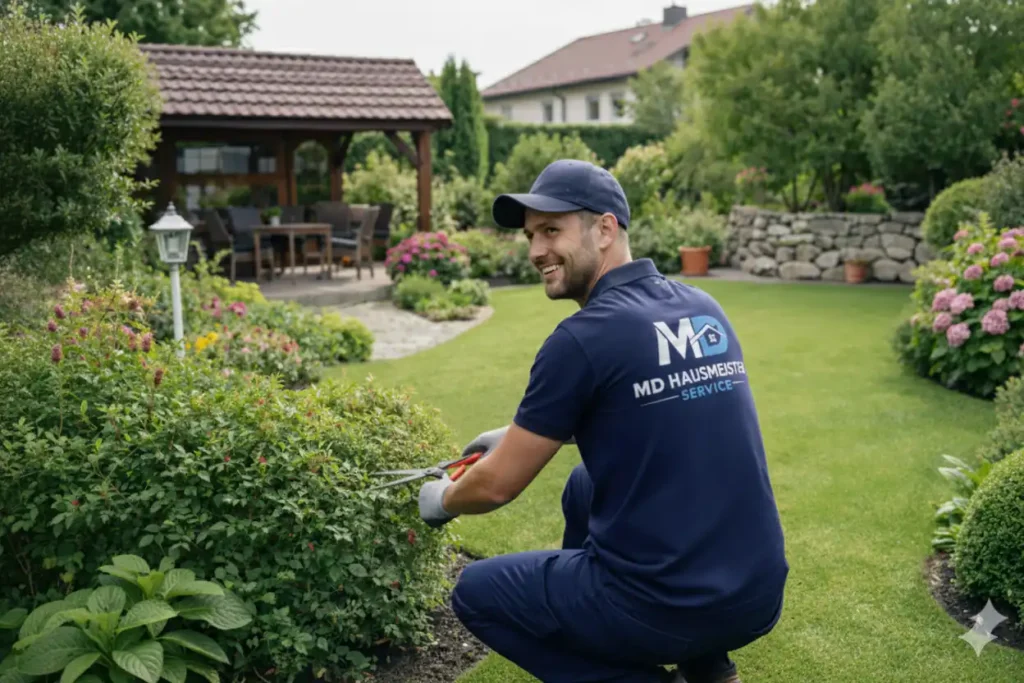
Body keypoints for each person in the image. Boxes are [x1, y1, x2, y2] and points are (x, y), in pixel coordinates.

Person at [416, 159, 788, 683]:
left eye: (551, 230)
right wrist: (511, 434)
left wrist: (440, 501)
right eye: (530, 236)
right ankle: (709, 670)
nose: (536, 251)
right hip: (756, 591)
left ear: (605, 228)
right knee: (583, 487)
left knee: (475, 593)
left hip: (670, 604)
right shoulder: (700, 307)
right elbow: (637, 404)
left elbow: (497, 487)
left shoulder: (580, 339)